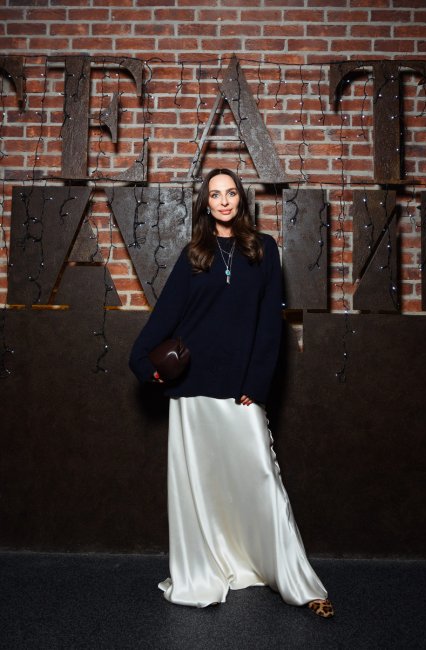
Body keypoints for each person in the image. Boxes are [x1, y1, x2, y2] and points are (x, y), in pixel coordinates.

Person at [129, 168, 334, 618]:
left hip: (240, 388)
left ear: (241, 199)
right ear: (206, 203)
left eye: (231, 193)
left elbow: (269, 326)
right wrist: (142, 362)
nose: (224, 201)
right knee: (200, 488)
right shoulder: (194, 254)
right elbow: (167, 315)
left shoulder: (264, 249)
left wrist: (255, 385)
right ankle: (204, 570)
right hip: (192, 390)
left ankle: (298, 582)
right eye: (215, 194)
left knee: (260, 480)